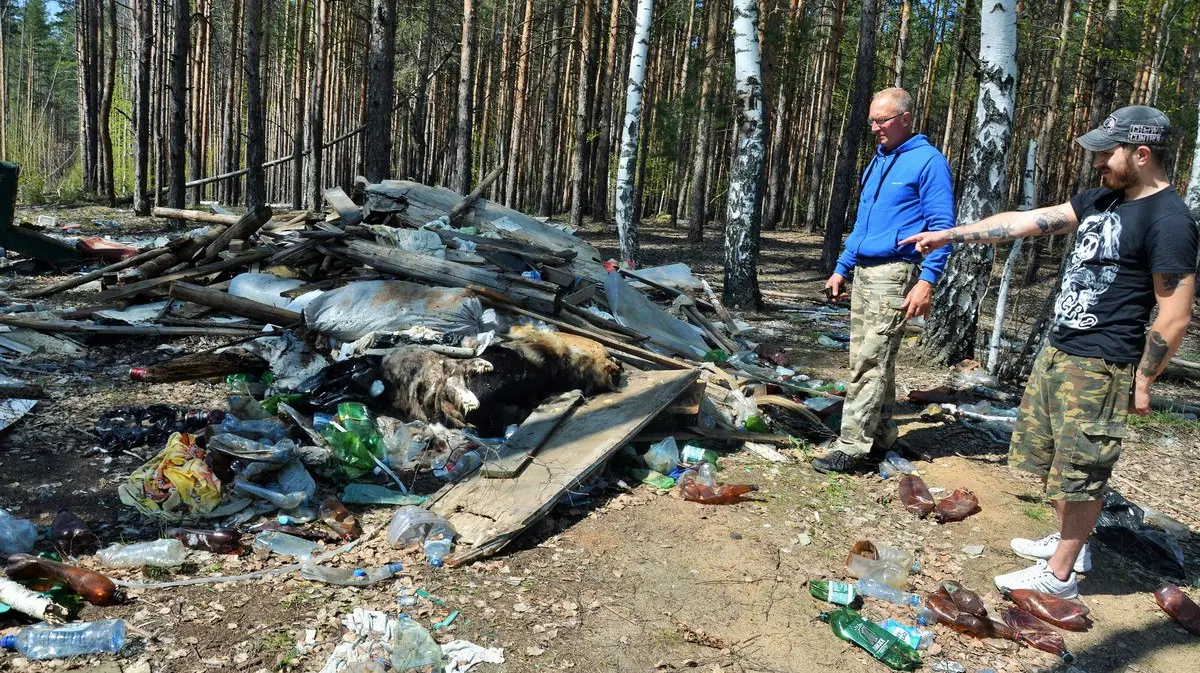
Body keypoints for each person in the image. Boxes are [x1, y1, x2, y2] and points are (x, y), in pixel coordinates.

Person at [902, 105, 1198, 598]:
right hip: (1060, 351)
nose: (1098, 162)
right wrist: (950, 235)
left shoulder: (1170, 221)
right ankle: (1070, 544)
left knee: (1084, 468)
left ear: (1141, 154)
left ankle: (1059, 579)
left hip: (1103, 363)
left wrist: (1143, 381)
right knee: (1057, 459)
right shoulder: (1103, 199)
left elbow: (1175, 314)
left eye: (1107, 153)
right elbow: (1027, 222)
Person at [814, 88, 956, 474]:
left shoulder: (929, 162)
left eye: (882, 120)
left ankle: (852, 447)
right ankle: (880, 435)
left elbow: (944, 228)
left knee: (869, 361)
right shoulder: (877, 162)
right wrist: (842, 267)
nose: (875, 128)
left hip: (895, 274)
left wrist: (927, 281)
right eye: (872, 121)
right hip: (865, 272)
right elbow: (863, 224)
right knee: (873, 359)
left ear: (906, 119)